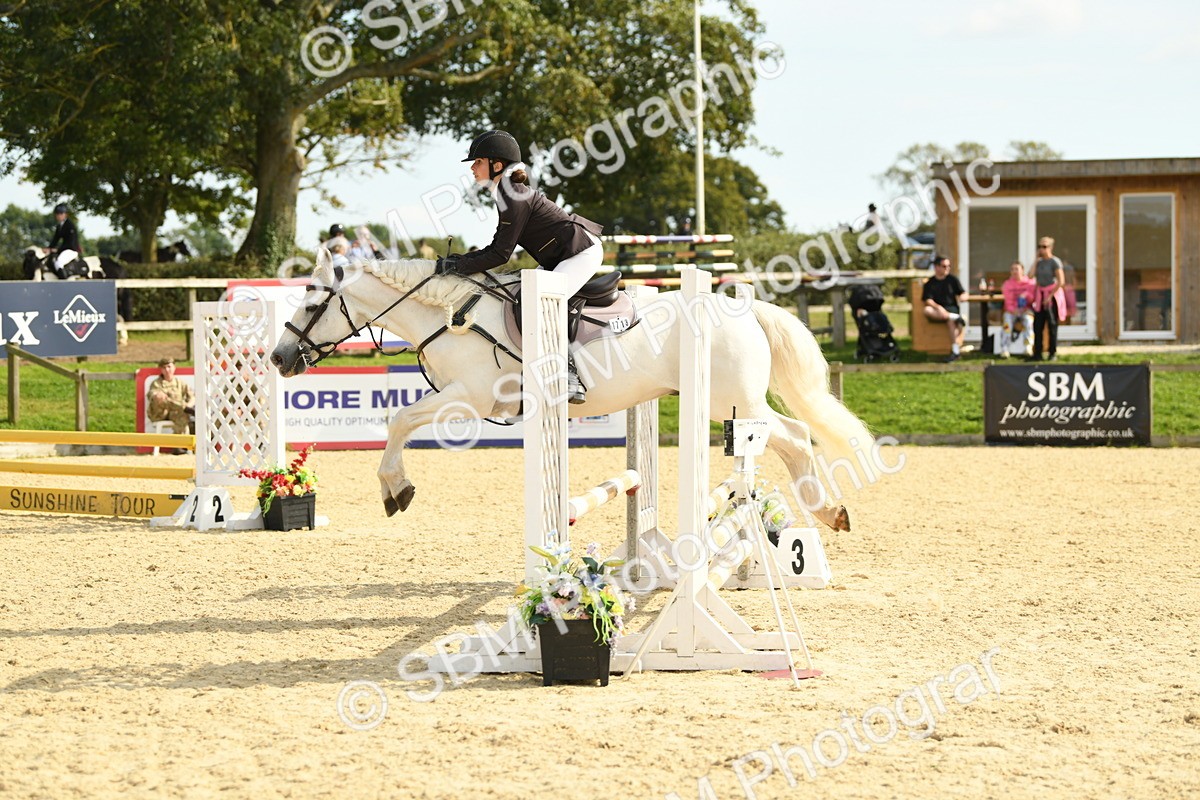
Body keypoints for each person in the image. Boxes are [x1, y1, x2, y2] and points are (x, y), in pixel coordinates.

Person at [433, 130, 604, 404]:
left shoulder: (513, 195)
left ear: (497, 165)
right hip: (559, 257)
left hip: (579, 252)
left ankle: (569, 375)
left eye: (477, 162)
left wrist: (456, 266)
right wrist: (460, 262)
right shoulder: (506, 192)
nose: (473, 168)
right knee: (515, 297)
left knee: (542, 305)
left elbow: (500, 254)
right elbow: (496, 249)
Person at [922, 256, 967, 362]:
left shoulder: (953, 280)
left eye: (948, 266)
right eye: (944, 266)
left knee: (951, 321)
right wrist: (939, 308)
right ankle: (957, 318)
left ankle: (955, 351)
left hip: (951, 309)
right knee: (927, 310)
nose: (947, 268)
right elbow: (927, 300)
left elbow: (963, 292)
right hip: (937, 311)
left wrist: (964, 297)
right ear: (936, 267)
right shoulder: (930, 283)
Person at [1029, 237, 1067, 361]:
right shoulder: (1039, 262)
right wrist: (1035, 259)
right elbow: (1030, 275)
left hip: (1051, 296)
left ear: (1051, 247)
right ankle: (1037, 352)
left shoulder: (1055, 262)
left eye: (1044, 247)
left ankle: (1052, 352)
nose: (1041, 249)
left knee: (1052, 325)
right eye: (1039, 246)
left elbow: (1061, 281)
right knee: (1038, 325)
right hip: (1040, 296)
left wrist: (1050, 297)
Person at [147, 357, 195, 450]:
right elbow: (151, 394)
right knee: (162, 398)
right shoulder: (156, 383)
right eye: (164, 368)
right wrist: (157, 395)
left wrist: (189, 405)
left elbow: (192, 397)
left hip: (175, 412)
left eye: (169, 367)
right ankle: (184, 408)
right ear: (161, 370)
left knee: (183, 416)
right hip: (160, 413)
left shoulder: (180, 383)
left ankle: (179, 446)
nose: (167, 370)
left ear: (174, 367)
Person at [998, 261, 1035, 359]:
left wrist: (1026, 295)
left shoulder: (1030, 284)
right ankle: (1005, 348)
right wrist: (1013, 310)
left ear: (1022, 271)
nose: (1014, 271)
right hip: (1011, 311)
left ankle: (1028, 346)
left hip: (1026, 310)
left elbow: (1033, 299)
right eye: (1012, 269)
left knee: (1028, 321)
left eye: (1016, 269)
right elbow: (1008, 301)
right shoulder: (1007, 284)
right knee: (1007, 322)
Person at [47, 203, 82, 277]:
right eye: (57, 214)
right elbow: (55, 240)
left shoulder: (70, 226)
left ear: (65, 214)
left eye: (61, 214)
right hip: (64, 250)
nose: (59, 216)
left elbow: (70, 243)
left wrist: (57, 250)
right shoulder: (59, 226)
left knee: (59, 263)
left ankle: (64, 281)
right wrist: (48, 248)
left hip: (71, 250)